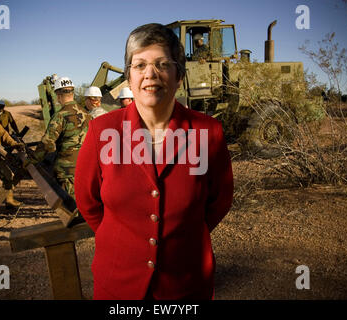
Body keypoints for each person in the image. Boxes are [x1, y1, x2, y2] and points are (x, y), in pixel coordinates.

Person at [74, 23, 233, 300]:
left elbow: (219, 200)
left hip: (185, 284)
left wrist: (183, 235)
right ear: (128, 76)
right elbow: (88, 202)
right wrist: (124, 242)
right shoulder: (102, 132)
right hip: (119, 283)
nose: (150, 74)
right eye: (139, 65)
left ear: (179, 75)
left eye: (162, 64)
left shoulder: (208, 132)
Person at [29, 76, 90, 218]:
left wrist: (32, 159)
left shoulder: (60, 116)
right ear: (73, 93)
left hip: (66, 169)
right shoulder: (87, 115)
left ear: (58, 95)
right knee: (82, 203)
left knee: (70, 210)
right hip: (85, 167)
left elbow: (47, 143)